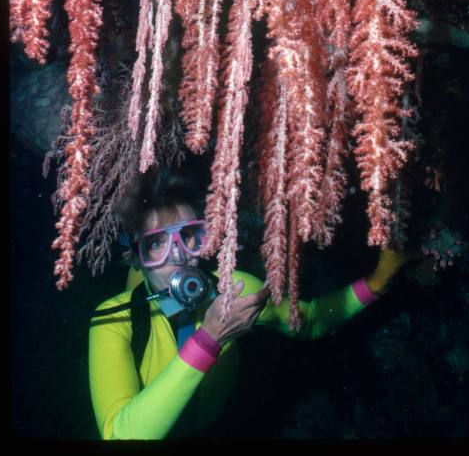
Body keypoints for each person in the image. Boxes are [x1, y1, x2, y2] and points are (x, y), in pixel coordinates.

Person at [88, 169, 415, 440]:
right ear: (135, 257)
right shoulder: (114, 321)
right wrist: (210, 340)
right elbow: (119, 436)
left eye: (190, 236)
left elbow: (310, 320)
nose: (179, 255)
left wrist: (374, 283)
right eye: (155, 244)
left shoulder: (237, 289)